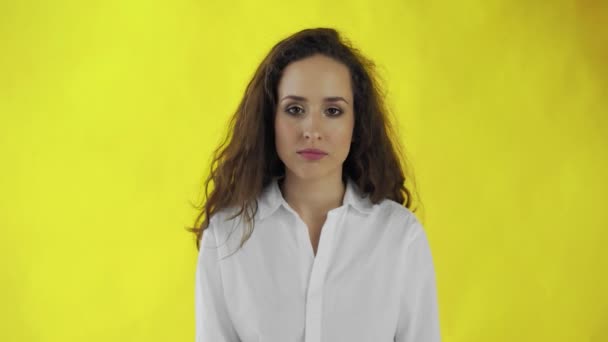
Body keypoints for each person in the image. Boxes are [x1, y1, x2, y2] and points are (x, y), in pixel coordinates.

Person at [188, 27, 440, 342]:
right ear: (271, 118)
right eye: (295, 109)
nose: (312, 130)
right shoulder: (227, 234)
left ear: (356, 122)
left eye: (333, 111)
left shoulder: (400, 236)